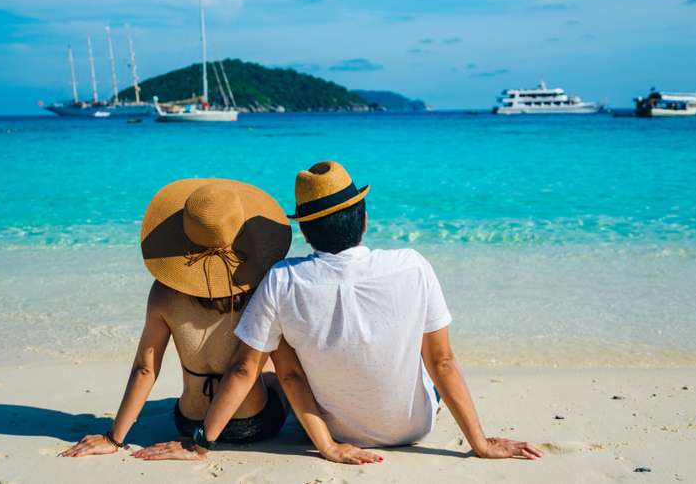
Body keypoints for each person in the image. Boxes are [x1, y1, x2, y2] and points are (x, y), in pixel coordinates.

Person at [134, 161, 543, 464]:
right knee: (419, 361)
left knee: (277, 373)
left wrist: (201, 442)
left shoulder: (283, 279)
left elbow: (247, 371)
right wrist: (481, 442)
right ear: (363, 220)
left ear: (305, 232)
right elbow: (443, 362)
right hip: (416, 426)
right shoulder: (412, 264)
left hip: (337, 432)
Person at [61, 178, 293, 457]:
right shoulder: (261, 287)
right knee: (268, 370)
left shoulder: (164, 293)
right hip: (254, 424)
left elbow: (144, 370)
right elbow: (281, 372)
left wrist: (114, 438)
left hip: (188, 423)